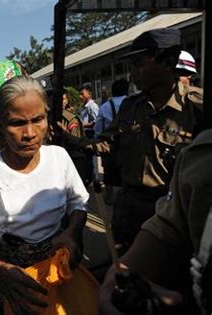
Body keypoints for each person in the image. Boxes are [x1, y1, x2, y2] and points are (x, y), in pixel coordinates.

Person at [0, 76, 94, 314]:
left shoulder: (59, 157)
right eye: (17, 123)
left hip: (60, 268)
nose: (30, 133)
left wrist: (72, 233)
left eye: (38, 119)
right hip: (17, 280)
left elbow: (79, 202)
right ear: (0, 125)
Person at [65, 28, 203, 252]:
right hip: (131, 210)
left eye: (138, 64)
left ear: (167, 63)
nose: (132, 73)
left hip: (174, 211)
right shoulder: (130, 107)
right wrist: (72, 141)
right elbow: (108, 142)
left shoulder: (195, 107)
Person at [99, 128, 212, 315]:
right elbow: (170, 224)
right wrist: (126, 271)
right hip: (135, 205)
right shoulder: (201, 156)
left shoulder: (193, 107)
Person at [93, 79, 129, 204]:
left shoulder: (105, 107)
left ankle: (109, 198)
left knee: (108, 172)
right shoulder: (132, 104)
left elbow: (98, 128)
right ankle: (125, 197)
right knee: (126, 170)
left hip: (109, 145)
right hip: (127, 146)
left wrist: (99, 142)